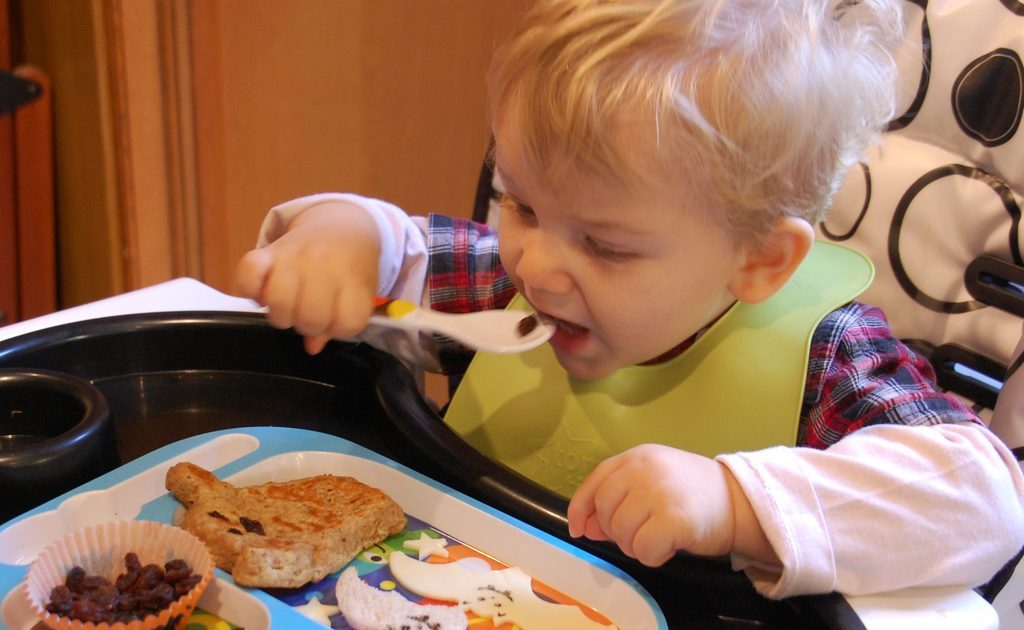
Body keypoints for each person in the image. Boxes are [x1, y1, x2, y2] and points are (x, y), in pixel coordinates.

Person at [233, 0, 1024, 599]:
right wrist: (342, 237)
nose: (536, 263)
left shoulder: (826, 357)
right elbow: (401, 258)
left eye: (606, 246)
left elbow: (984, 497)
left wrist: (736, 503)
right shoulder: (515, 289)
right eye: (520, 202)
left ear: (758, 258)